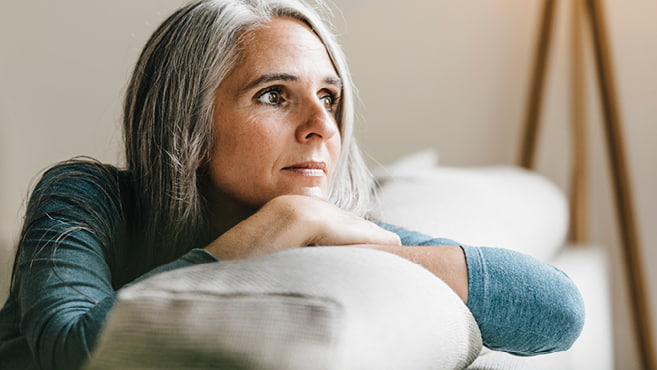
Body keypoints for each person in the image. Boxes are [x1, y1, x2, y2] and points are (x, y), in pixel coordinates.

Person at [0, 0, 585, 369]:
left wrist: (383, 250)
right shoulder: (87, 196)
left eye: (328, 98)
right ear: (188, 121)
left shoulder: (327, 229)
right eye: (275, 95)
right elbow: (75, 349)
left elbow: (557, 309)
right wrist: (278, 227)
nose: (323, 128)